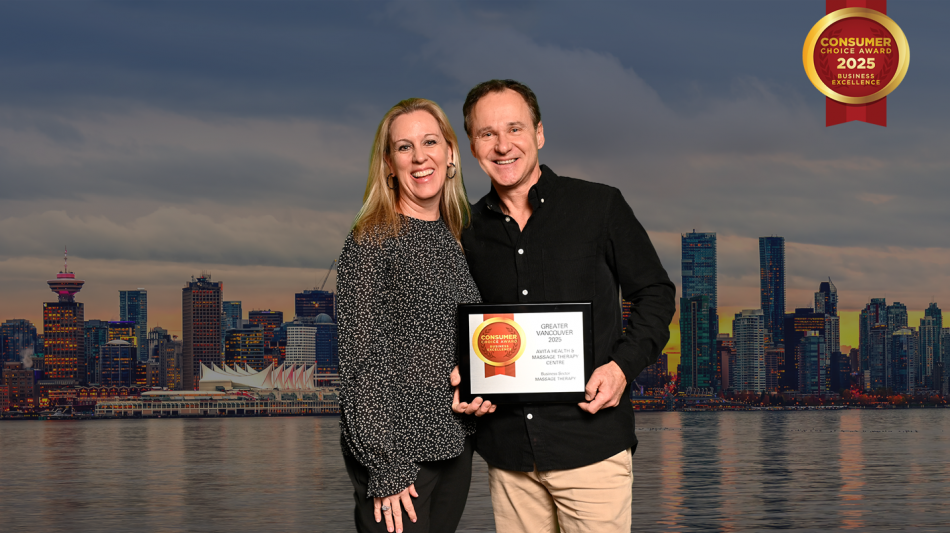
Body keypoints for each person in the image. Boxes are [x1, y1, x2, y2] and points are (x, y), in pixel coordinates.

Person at [452, 80, 676, 532]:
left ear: (539, 133)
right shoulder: (466, 230)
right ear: (472, 146)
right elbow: (461, 325)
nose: (502, 145)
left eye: (514, 129)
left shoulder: (600, 205)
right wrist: (463, 374)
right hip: (509, 455)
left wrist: (621, 368)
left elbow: (656, 293)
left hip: (591, 446)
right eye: (487, 134)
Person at [337, 98, 481, 533]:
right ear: (388, 163)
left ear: (450, 153)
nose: (420, 157)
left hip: (454, 444)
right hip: (399, 457)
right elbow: (361, 362)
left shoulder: (456, 237)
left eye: (430, 142)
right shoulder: (372, 240)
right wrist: (387, 467)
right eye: (404, 147)